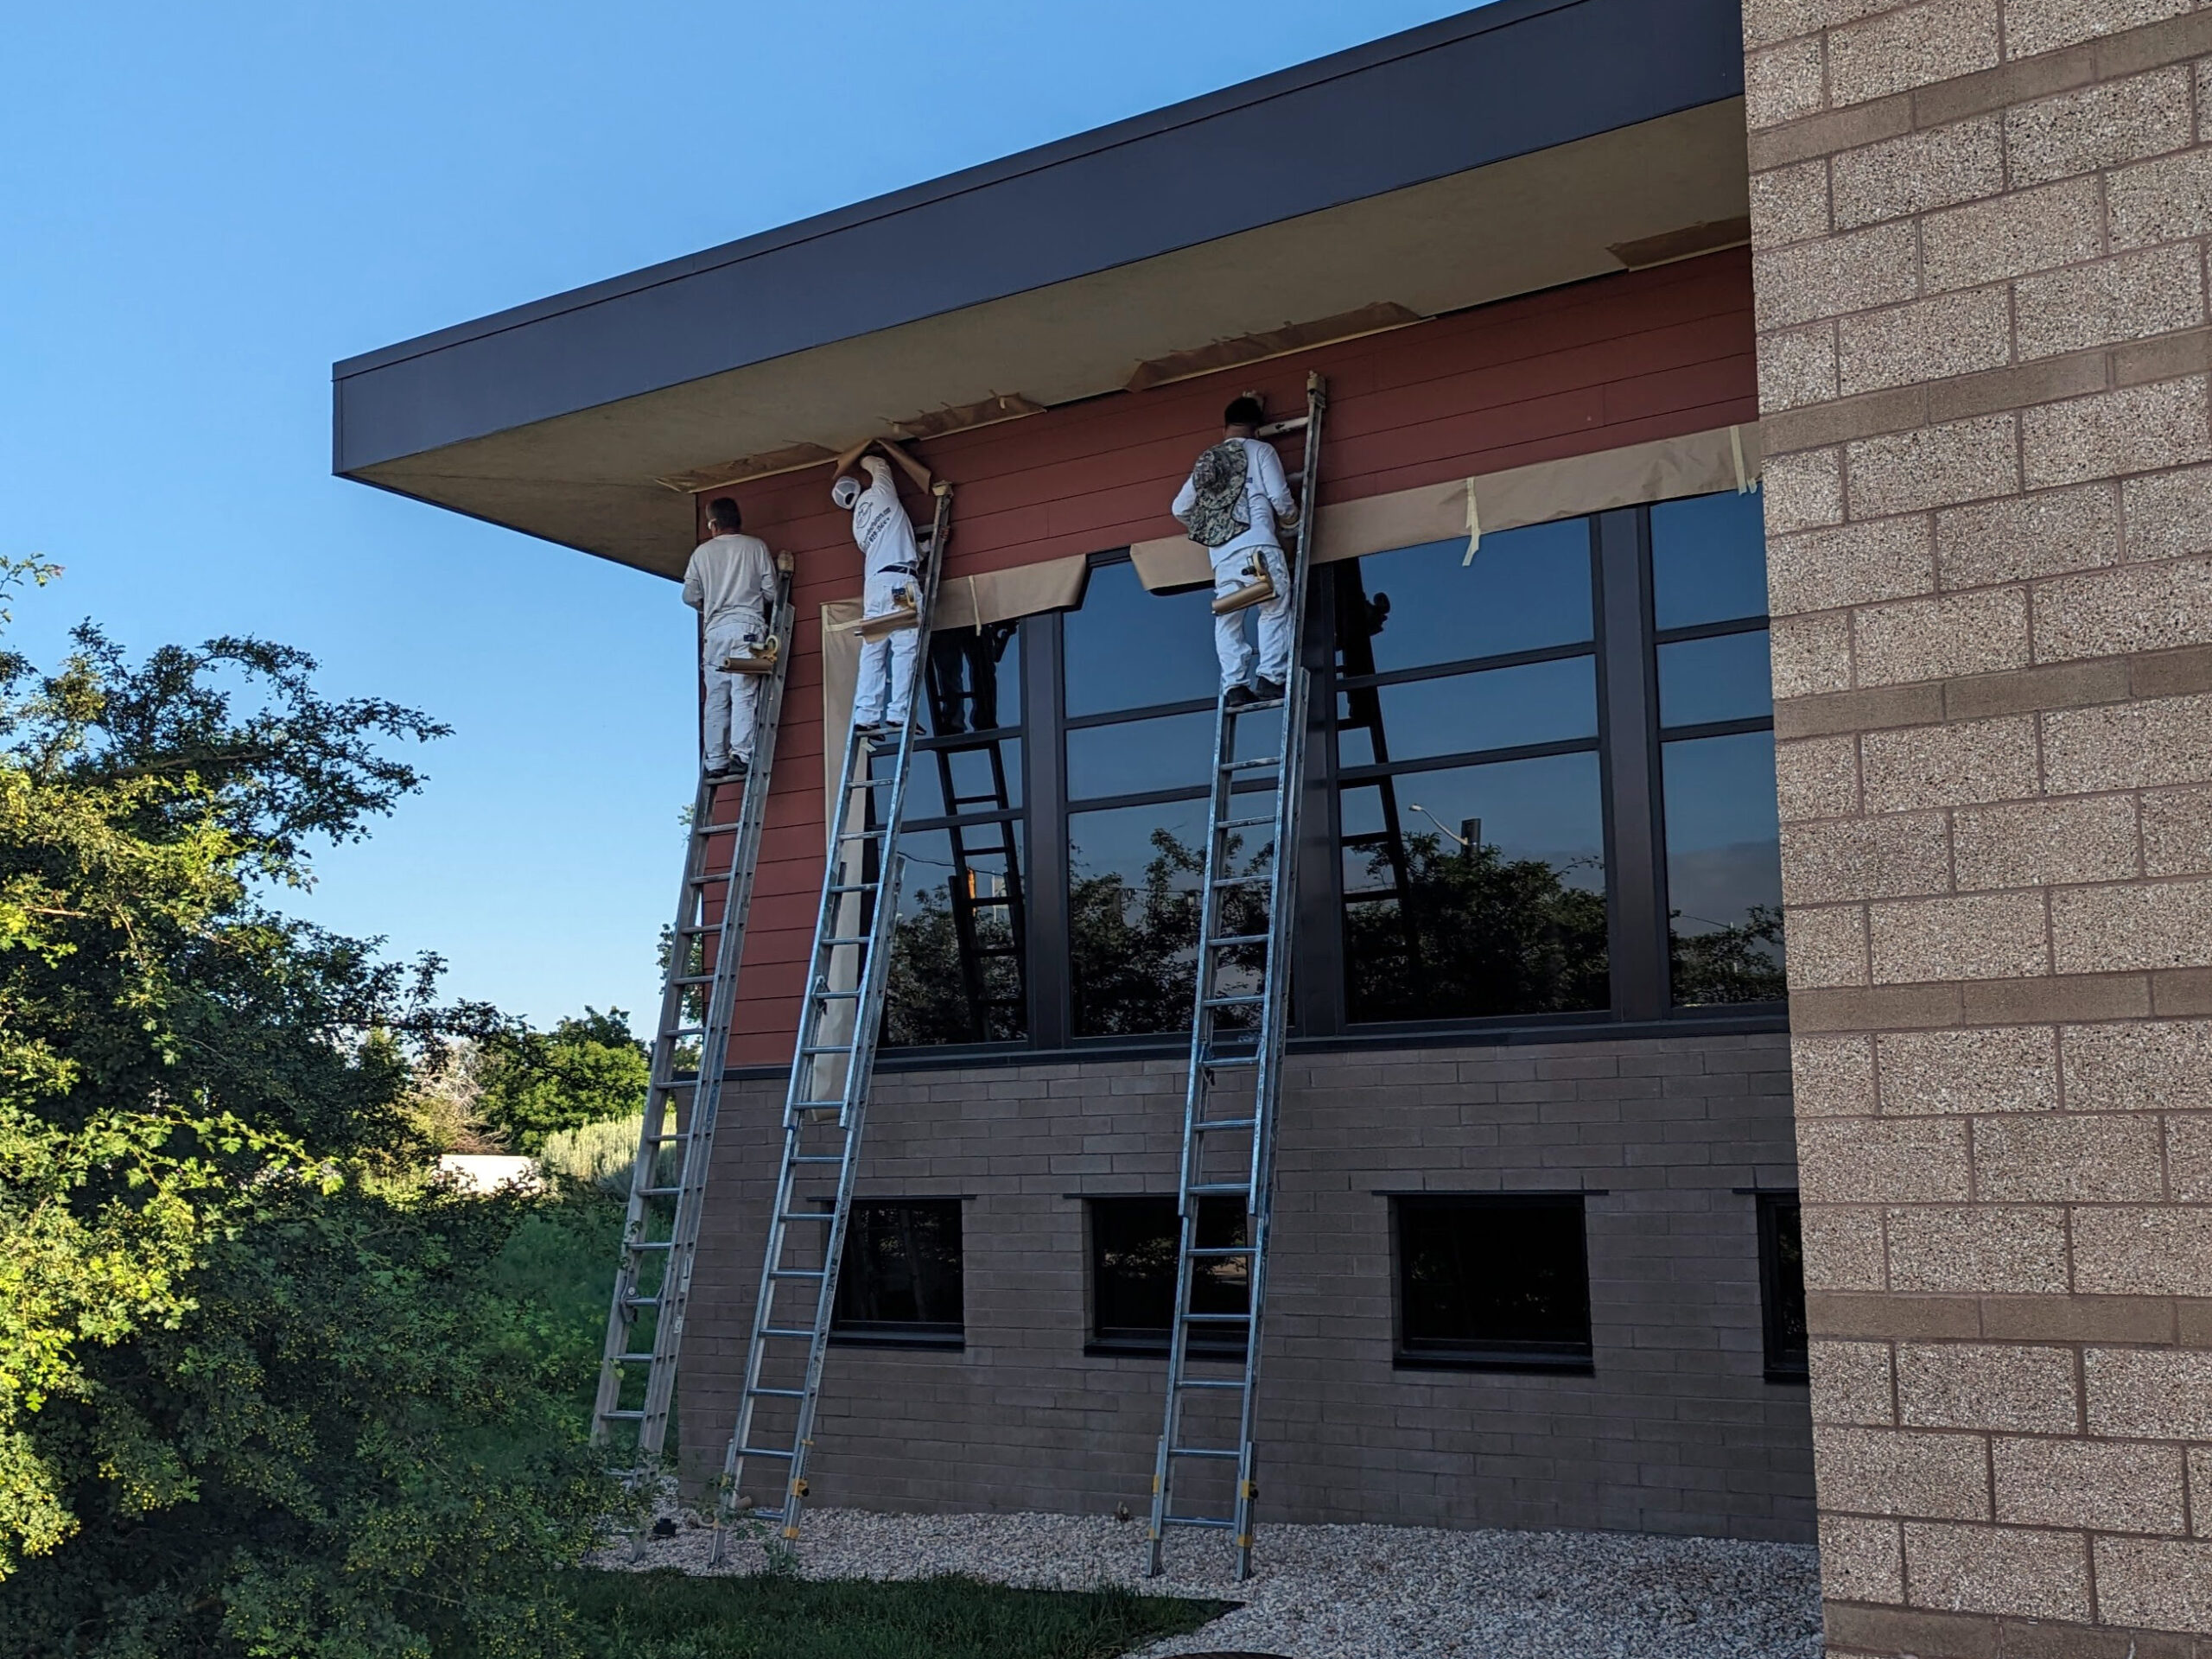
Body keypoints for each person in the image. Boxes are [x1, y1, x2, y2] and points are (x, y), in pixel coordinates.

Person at [1172, 393, 1300, 709]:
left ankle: (1234, 686)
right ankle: (1271, 678)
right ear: (1255, 428)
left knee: (1228, 619)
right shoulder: (1261, 450)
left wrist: (1207, 527)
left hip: (1223, 556)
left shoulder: (1209, 459)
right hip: (1257, 545)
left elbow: (1179, 508)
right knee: (1273, 607)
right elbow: (1279, 495)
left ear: (1225, 426)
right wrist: (1292, 521)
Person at [830, 435, 936, 739]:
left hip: (874, 586)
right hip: (900, 583)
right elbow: (880, 465)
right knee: (904, 648)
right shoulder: (881, 494)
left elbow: (899, 546)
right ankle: (899, 714)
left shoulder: (857, 528)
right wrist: (861, 453)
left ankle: (866, 715)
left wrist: (926, 548)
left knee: (874, 650)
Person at [682, 496, 779, 779]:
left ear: (713, 524)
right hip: (747, 627)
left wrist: (708, 604)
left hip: (715, 633)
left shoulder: (701, 554)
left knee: (716, 697)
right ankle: (742, 753)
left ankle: (715, 761)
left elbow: (689, 596)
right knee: (743, 692)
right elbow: (772, 592)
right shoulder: (755, 547)